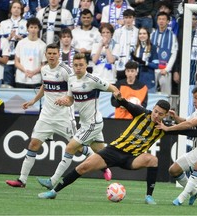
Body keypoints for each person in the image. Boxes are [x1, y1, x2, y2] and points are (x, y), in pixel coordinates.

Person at [37, 91, 197, 204]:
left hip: (131, 159)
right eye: (155, 112)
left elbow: (190, 132)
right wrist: (118, 97)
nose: (156, 116)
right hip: (113, 151)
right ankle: (54, 191)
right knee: (83, 167)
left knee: (152, 159)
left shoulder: (163, 128)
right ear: (152, 109)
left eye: (160, 114)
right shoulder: (141, 113)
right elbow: (126, 104)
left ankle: (148, 196)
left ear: (164, 116)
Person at [36, 53, 120, 189]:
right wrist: (64, 101)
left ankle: (52, 181)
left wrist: (119, 98)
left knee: (70, 147)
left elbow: (113, 89)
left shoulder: (93, 80)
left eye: (81, 65)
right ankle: (108, 167)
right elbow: (70, 100)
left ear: (86, 65)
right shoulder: (71, 80)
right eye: (75, 65)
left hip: (93, 123)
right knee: (103, 154)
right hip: (86, 122)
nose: (78, 68)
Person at [6, 43, 76, 188]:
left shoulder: (65, 70)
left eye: (54, 53)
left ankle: (102, 165)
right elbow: (45, 86)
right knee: (33, 144)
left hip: (64, 115)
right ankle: (22, 180)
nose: (51, 56)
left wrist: (68, 100)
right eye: (49, 53)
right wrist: (33, 101)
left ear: (59, 54)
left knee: (78, 146)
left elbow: (75, 87)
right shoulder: (44, 69)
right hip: (46, 115)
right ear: (45, 55)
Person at [0, 0, 28, 87]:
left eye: (19, 8)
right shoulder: (3, 23)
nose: (16, 10)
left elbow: (30, 42)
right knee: (8, 86)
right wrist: (9, 38)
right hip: (8, 60)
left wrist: (21, 38)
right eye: (14, 7)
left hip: (21, 61)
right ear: (10, 9)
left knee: (20, 85)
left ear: (21, 10)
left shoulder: (26, 23)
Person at [14, 17, 46, 88]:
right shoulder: (21, 43)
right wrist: (25, 71)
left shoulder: (43, 45)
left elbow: (43, 64)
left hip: (36, 80)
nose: (33, 30)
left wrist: (33, 72)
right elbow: (16, 62)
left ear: (38, 29)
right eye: (31, 27)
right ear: (28, 28)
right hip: (21, 79)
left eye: (35, 27)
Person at [151, 11, 178, 95]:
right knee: (151, 94)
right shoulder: (152, 35)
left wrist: (167, 69)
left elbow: (174, 54)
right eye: (159, 19)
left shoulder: (172, 36)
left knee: (166, 95)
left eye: (163, 19)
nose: (161, 21)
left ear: (168, 21)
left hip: (165, 69)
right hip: (152, 70)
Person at [71, 9, 100, 73]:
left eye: (88, 18)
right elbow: (70, 47)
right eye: (84, 17)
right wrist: (79, 50)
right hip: (77, 61)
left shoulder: (97, 32)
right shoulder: (74, 31)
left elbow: (99, 48)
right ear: (80, 19)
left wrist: (87, 51)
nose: (86, 19)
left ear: (92, 19)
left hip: (91, 62)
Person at [112, 9, 138, 80]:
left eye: (130, 17)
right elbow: (114, 48)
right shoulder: (117, 32)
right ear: (123, 19)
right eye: (126, 18)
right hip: (120, 63)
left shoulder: (138, 32)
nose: (128, 20)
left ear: (134, 18)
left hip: (133, 64)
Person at [131, 27, 158, 93]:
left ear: (148, 35)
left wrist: (145, 63)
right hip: (136, 79)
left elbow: (156, 65)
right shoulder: (135, 48)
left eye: (144, 33)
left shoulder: (152, 47)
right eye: (140, 34)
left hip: (148, 80)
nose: (142, 35)